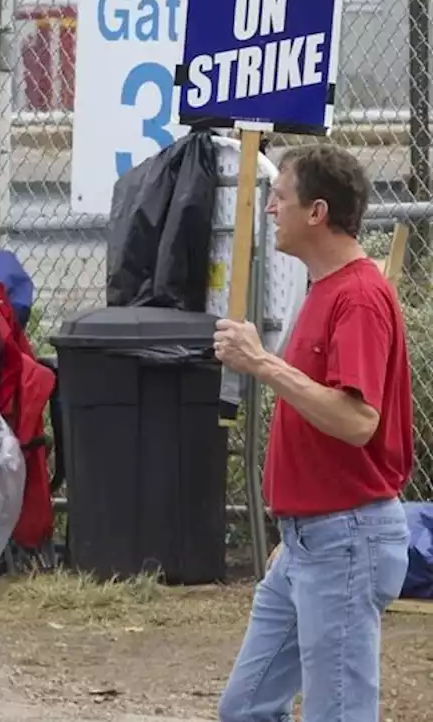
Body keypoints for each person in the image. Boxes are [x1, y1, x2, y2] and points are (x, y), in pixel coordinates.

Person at [214, 142, 413, 722]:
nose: (271, 210)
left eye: (280, 197)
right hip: (311, 538)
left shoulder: (358, 297)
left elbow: (357, 422)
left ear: (317, 212)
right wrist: (295, 526)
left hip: (345, 536)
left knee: (339, 712)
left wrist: (264, 364)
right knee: (246, 708)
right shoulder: (326, 288)